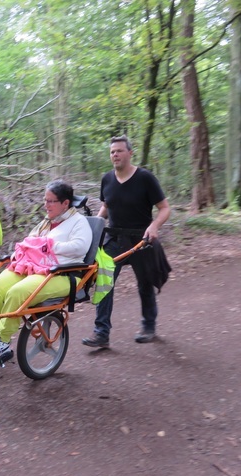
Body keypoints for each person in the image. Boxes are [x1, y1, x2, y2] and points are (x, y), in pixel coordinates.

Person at [0, 180, 92, 363]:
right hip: (34, 267)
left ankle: (2, 342)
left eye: (51, 201)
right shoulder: (46, 222)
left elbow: (80, 247)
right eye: (45, 200)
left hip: (63, 274)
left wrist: (47, 245)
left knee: (17, 292)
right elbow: (30, 241)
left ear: (65, 203)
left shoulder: (79, 222)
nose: (46, 205)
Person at [82, 135, 171, 349]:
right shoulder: (107, 179)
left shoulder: (145, 178)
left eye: (120, 151)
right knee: (104, 283)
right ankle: (101, 332)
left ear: (130, 153)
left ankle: (148, 326)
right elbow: (106, 206)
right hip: (114, 238)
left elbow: (165, 208)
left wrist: (154, 226)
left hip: (141, 239)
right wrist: (93, 224)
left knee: (145, 283)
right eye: (112, 151)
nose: (115, 155)